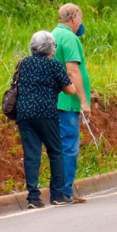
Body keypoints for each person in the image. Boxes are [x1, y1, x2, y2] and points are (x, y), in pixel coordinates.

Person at [15, 30, 76, 208]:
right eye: (54, 46)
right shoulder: (54, 65)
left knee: (31, 155)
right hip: (46, 114)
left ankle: (33, 198)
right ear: (50, 48)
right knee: (56, 152)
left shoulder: (24, 63)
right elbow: (70, 90)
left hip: (24, 113)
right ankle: (57, 194)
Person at [52, 3, 91, 204]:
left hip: (53, 101)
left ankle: (58, 191)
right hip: (67, 102)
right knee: (69, 147)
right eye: (81, 17)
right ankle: (64, 191)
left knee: (58, 147)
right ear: (74, 17)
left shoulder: (53, 35)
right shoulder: (69, 38)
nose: (81, 22)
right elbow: (72, 71)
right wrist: (83, 101)